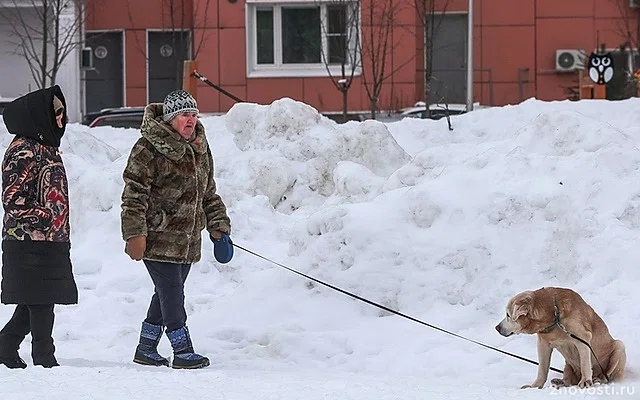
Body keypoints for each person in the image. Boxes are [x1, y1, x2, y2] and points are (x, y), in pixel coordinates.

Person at [121, 90, 233, 369]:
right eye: (184, 114)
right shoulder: (147, 148)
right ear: (170, 119)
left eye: (194, 114)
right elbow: (134, 194)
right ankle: (182, 350)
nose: (191, 120)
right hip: (157, 238)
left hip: (188, 241)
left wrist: (218, 225)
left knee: (166, 292)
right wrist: (135, 233)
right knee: (172, 293)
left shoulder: (199, 147)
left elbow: (208, 192)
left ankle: (145, 348)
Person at [0, 85, 78, 369]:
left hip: (48, 238)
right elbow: (12, 199)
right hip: (26, 239)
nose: (61, 119)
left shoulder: (45, 148)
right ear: (40, 115)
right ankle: (44, 357)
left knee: (37, 299)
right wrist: (45, 217)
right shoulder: (23, 150)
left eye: (62, 113)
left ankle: (6, 346)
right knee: (41, 301)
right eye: (56, 113)